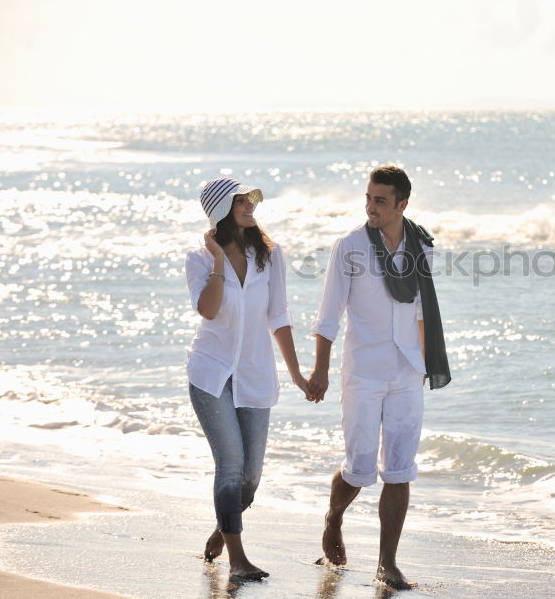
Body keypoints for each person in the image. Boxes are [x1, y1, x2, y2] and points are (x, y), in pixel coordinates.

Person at [307, 165, 450, 590]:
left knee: (400, 469)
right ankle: (334, 517)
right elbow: (328, 314)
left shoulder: (421, 247)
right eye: (368, 198)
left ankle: (387, 563)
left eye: (380, 200)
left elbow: (422, 311)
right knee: (360, 468)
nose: (371, 206)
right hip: (364, 373)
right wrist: (320, 370)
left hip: (407, 372)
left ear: (401, 204)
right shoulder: (349, 246)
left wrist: (424, 363)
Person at [185, 176, 313, 581]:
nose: (251, 205)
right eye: (241, 201)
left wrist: (297, 374)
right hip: (211, 374)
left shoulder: (271, 256)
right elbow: (207, 310)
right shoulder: (199, 258)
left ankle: (225, 529)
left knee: (251, 478)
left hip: (255, 375)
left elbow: (279, 316)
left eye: (252, 199)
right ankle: (238, 561)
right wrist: (219, 260)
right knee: (230, 465)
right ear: (222, 209)